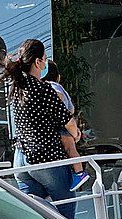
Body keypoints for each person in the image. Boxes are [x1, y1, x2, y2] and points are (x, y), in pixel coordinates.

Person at [4, 38, 80, 219]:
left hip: (21, 159)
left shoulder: (16, 88)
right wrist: (76, 134)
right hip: (46, 157)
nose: (46, 63)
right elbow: (67, 119)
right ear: (38, 62)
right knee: (66, 206)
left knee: (34, 215)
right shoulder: (43, 89)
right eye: (44, 59)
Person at [44, 61, 92, 192]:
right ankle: (77, 171)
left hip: (62, 124)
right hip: (65, 123)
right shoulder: (59, 86)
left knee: (70, 149)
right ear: (58, 76)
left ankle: (79, 172)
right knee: (69, 149)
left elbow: (60, 103)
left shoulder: (50, 87)